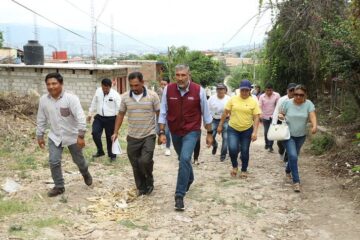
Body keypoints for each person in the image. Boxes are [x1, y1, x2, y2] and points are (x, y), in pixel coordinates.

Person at [158, 64, 213, 211]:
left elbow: (206, 113)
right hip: (175, 130)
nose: (180, 78)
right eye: (178, 75)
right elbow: (163, 110)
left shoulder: (199, 90)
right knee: (183, 159)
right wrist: (162, 132)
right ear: (175, 75)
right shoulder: (168, 90)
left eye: (183, 75)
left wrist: (209, 133)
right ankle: (190, 178)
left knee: (184, 158)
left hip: (192, 131)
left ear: (189, 75)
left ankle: (179, 195)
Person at [36, 73, 92, 197]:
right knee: (54, 161)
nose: (51, 86)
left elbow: (80, 117)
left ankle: (85, 173)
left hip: (72, 136)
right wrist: (40, 135)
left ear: (61, 84)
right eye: (48, 84)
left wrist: (81, 136)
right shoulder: (44, 100)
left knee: (79, 161)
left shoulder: (71, 99)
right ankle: (59, 186)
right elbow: (41, 118)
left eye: (54, 83)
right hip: (55, 136)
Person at [112, 72, 160, 196]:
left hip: (149, 135)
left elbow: (159, 114)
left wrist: (161, 132)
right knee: (135, 164)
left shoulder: (152, 96)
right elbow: (121, 114)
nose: (134, 88)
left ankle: (149, 180)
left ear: (142, 83)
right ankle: (141, 187)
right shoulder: (125, 97)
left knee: (145, 161)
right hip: (133, 136)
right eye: (131, 86)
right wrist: (115, 132)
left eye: (136, 85)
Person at [218, 79, 261, 178]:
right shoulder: (233, 99)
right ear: (239, 90)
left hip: (247, 129)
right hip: (233, 128)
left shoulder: (253, 102)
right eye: (243, 90)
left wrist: (255, 132)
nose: (244, 92)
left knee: (245, 150)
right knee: (232, 148)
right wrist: (220, 125)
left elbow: (256, 117)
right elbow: (226, 112)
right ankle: (234, 166)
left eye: (247, 90)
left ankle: (244, 170)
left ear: (250, 90)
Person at [278, 84, 317, 192]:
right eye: (296, 94)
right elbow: (280, 114)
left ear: (305, 95)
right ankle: (296, 182)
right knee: (293, 156)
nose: (298, 97)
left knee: (293, 156)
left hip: (301, 136)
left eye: (301, 95)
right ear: (293, 94)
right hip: (287, 135)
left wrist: (314, 126)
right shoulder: (287, 103)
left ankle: (287, 170)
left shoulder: (308, 104)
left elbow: (312, 115)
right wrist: (280, 116)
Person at [87, 78, 121, 162]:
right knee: (95, 133)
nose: (105, 90)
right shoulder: (98, 91)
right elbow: (94, 102)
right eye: (103, 88)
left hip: (111, 118)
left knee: (110, 138)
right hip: (99, 117)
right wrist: (90, 113)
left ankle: (112, 155)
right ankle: (100, 151)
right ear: (101, 86)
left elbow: (119, 110)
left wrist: (117, 122)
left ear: (110, 87)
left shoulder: (115, 95)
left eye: (106, 88)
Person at [272, 82, 297, 161]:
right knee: (280, 142)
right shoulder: (282, 100)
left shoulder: (299, 100)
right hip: (281, 123)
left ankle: (287, 158)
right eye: (291, 90)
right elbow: (276, 111)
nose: (292, 92)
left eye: (294, 90)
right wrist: (274, 124)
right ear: (287, 91)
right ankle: (281, 150)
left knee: (290, 141)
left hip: (293, 124)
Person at [208, 83, 231, 161]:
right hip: (214, 120)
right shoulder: (211, 98)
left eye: (222, 89)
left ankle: (223, 155)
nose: (220, 91)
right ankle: (215, 145)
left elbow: (232, 110)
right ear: (216, 90)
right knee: (211, 136)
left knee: (226, 137)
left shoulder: (228, 99)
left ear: (225, 90)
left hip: (226, 120)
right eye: (218, 89)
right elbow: (207, 110)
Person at [259, 83, 280, 152]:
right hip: (265, 116)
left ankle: (270, 146)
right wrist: (260, 115)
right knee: (266, 131)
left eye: (270, 90)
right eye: (267, 90)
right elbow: (260, 106)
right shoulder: (262, 96)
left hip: (273, 116)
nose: (269, 92)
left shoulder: (277, 95)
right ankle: (266, 143)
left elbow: (278, 106)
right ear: (265, 90)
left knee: (272, 131)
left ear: (272, 90)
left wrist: (277, 115)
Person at [159, 77, 172, 156]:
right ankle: (161, 140)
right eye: (162, 84)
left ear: (168, 84)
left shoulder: (171, 92)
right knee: (159, 130)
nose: (163, 86)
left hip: (169, 114)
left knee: (167, 132)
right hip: (160, 114)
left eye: (165, 84)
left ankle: (167, 148)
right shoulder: (158, 92)